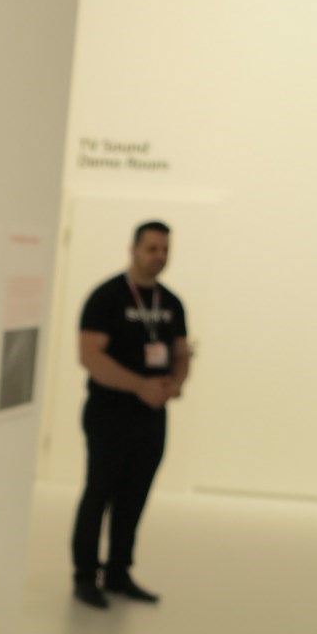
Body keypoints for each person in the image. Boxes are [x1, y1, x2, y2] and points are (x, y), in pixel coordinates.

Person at [71, 220, 191, 609]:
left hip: (151, 417)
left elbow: (181, 352)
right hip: (109, 413)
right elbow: (90, 356)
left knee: (134, 496)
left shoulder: (171, 303)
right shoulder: (106, 297)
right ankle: (85, 576)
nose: (159, 256)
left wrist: (175, 382)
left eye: (165, 249)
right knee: (99, 493)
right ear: (133, 249)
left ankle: (118, 572)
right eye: (152, 248)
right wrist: (140, 385)